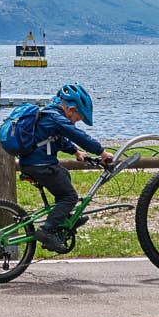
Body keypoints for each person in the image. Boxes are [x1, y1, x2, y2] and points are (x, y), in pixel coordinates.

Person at [18, 83, 114, 252]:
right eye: (78, 118)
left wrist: (76, 151)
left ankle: (63, 218)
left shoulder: (50, 114)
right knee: (69, 197)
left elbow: (55, 139)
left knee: (64, 175)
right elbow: (76, 135)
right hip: (40, 165)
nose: (77, 122)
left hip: (35, 163)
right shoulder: (56, 117)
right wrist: (101, 151)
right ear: (71, 109)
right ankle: (47, 231)